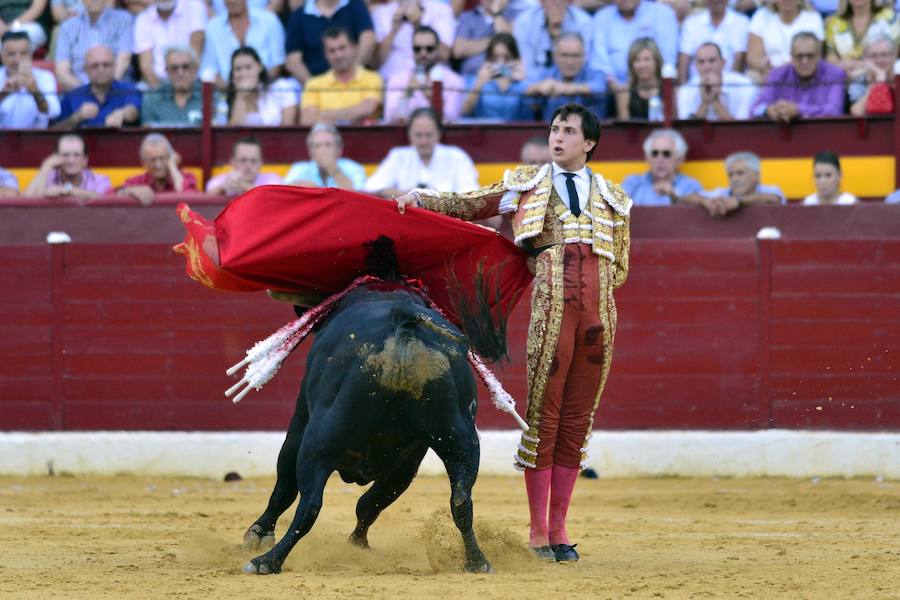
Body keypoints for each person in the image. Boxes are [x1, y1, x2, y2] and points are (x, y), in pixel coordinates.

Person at [393, 103, 632, 564]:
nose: (557, 136)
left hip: (599, 318)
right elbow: (470, 203)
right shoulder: (526, 184)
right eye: (554, 129)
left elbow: (620, 266)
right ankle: (539, 532)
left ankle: (561, 530)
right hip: (552, 311)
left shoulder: (615, 198)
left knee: (578, 419)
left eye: (568, 131)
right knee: (544, 413)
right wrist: (423, 198)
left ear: (589, 143)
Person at [364, 106, 478, 197]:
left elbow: (471, 195)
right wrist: (407, 196)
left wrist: (429, 199)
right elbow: (371, 188)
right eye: (418, 135)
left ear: (439, 134)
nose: (423, 141)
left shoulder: (457, 156)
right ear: (409, 134)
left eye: (428, 135)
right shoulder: (398, 155)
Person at [299, 26, 383, 126]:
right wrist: (354, 115)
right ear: (325, 55)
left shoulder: (372, 78)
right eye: (332, 51)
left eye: (342, 48)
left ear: (354, 48)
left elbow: (368, 109)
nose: (338, 55)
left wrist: (324, 114)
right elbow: (307, 119)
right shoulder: (313, 84)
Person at [753, 32, 847, 121]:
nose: (804, 61)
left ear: (819, 56)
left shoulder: (835, 74)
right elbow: (756, 109)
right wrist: (768, 111)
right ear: (791, 57)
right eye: (799, 56)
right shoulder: (777, 75)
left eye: (810, 56)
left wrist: (798, 110)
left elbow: (834, 111)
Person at [383, 25, 466, 123]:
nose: (423, 53)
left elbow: (450, 120)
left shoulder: (454, 81)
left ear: (438, 49)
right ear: (412, 50)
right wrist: (407, 93)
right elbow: (390, 118)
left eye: (429, 49)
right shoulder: (398, 80)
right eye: (417, 49)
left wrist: (433, 97)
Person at [591, 0, 679, 90]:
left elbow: (668, 59)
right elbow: (599, 58)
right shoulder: (601, 18)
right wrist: (613, 83)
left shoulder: (663, 14)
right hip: (613, 89)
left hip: (656, 86)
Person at [284, 0, 375, 84]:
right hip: (317, 88)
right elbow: (293, 60)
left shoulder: (355, 5)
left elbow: (368, 40)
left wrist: (352, 75)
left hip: (357, 84)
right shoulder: (299, 15)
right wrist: (316, 89)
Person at [201, 0, 285, 89]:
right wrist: (235, 92)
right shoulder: (212, 27)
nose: (232, 1)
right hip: (227, 95)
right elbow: (209, 70)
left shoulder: (269, 21)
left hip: (266, 91)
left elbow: (277, 64)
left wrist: (257, 88)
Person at [53, 45, 141, 129]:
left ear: (114, 67)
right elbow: (54, 131)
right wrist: (76, 117)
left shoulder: (128, 90)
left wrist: (123, 114)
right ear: (85, 69)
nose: (101, 70)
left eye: (106, 65)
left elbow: (134, 111)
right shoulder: (73, 96)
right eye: (95, 66)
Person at [525, 31, 606, 121]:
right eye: (564, 55)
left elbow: (600, 88)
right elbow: (531, 101)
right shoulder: (546, 74)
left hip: (590, 133)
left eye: (575, 56)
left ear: (584, 56)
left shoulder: (594, 74)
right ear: (554, 56)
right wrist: (537, 88)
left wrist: (563, 88)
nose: (570, 62)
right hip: (552, 133)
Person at [54, 0, 134, 91]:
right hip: (79, 90)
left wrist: (105, 89)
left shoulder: (124, 19)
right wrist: (87, 92)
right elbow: (62, 71)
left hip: (117, 89)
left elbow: (124, 61)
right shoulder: (67, 27)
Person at [372, 0, 456, 81]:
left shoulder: (441, 10)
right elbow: (374, 63)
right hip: (389, 84)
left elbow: (444, 54)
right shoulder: (380, 13)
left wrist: (418, 25)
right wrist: (393, 31)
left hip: (431, 82)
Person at [681, 151, 784, 216]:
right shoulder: (721, 193)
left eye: (740, 173)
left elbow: (774, 199)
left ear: (756, 176)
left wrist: (737, 201)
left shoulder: (770, 190)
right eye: (730, 175)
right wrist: (705, 201)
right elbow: (685, 198)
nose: (734, 179)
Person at [746, 0, 824, 83]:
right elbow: (753, 57)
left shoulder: (813, 18)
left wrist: (782, 71)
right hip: (767, 73)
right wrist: (763, 65)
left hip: (801, 71)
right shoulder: (761, 16)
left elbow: (816, 55)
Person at [133, 0, 206, 89]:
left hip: (191, 80)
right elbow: (146, 67)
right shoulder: (143, 19)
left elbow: (196, 53)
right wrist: (164, 96)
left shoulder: (194, 6)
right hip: (157, 84)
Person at [677, 42, 757, 120]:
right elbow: (688, 131)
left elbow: (741, 129)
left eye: (712, 61)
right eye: (701, 62)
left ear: (723, 63)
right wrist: (704, 102)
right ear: (695, 65)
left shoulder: (744, 86)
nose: (706, 67)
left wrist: (715, 100)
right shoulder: (685, 91)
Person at [513, 0, 594, 76]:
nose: (557, 2)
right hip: (535, 83)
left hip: (574, 82)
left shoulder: (584, 23)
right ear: (541, 2)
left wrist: (557, 33)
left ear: (569, 1)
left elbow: (583, 65)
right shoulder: (524, 23)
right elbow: (526, 67)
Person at [462, 32, 531, 120]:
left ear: (516, 59)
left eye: (507, 58)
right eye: (494, 59)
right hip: (484, 132)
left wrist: (524, 84)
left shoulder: (522, 83)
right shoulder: (476, 81)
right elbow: (465, 111)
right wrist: (478, 85)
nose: (501, 63)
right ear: (487, 60)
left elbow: (530, 116)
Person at [622, 128, 702, 205]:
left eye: (666, 154)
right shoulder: (633, 184)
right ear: (647, 158)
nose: (660, 159)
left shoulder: (690, 186)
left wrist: (674, 195)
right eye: (655, 153)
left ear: (679, 159)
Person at [677, 0, 749, 83]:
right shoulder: (691, 23)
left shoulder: (741, 22)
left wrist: (730, 87)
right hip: (696, 85)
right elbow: (684, 58)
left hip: (729, 84)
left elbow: (739, 58)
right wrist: (683, 88)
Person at [225, 46, 300, 126]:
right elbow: (232, 133)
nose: (244, 73)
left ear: (259, 67)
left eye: (248, 67)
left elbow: (287, 128)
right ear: (233, 73)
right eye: (238, 69)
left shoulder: (281, 87)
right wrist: (241, 96)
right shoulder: (232, 96)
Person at [0, 31, 60, 128]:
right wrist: (3, 95)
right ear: (2, 57)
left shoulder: (45, 77)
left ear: (31, 55)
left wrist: (35, 91)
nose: (17, 59)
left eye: (23, 53)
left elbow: (54, 112)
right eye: (11, 54)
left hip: (35, 139)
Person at [117, 133, 197, 205]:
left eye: (162, 158)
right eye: (152, 160)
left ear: (170, 158)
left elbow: (191, 200)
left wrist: (172, 166)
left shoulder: (186, 177)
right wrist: (129, 191)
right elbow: (109, 196)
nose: (158, 165)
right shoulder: (137, 181)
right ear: (144, 163)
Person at [25, 134, 112, 200]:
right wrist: (46, 167)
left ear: (85, 160)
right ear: (56, 157)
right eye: (65, 155)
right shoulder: (48, 177)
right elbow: (27, 200)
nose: (71, 161)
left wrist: (68, 191)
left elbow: (103, 200)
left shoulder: (100, 180)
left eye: (77, 155)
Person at [825, 0, 898, 78]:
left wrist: (858, 65)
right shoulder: (834, 23)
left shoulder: (888, 18)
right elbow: (831, 61)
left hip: (883, 78)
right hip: (845, 81)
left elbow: (894, 53)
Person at [284, 122, 367, 189]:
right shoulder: (299, 169)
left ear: (339, 149)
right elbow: (285, 192)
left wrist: (333, 168)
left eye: (328, 145)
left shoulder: (354, 169)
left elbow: (356, 198)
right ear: (310, 151)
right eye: (317, 145)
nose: (323, 150)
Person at [141, 46, 205, 126]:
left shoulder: (210, 97)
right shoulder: (152, 99)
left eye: (185, 67)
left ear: (195, 69)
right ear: (166, 71)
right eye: (174, 68)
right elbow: (148, 134)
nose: (180, 73)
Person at [453, 0, 515, 77]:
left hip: (501, 77)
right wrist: (493, 41)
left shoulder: (511, 19)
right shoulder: (468, 17)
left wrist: (497, 13)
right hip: (470, 77)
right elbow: (458, 51)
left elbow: (508, 46)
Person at [207, 136, 282, 195]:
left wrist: (244, 186)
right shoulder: (221, 180)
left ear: (261, 163)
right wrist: (222, 188)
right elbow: (207, 197)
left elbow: (276, 196)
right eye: (243, 160)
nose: (248, 166)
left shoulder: (272, 179)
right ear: (233, 162)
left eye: (253, 161)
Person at [849, 33, 897, 115]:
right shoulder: (860, 79)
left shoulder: (898, 77)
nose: (879, 60)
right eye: (873, 56)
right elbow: (857, 112)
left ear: (894, 56)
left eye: (884, 55)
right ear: (864, 59)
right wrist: (877, 84)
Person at [615, 37, 662, 120]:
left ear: (657, 62)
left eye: (647, 59)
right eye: (637, 60)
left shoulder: (669, 91)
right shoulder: (624, 94)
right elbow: (624, 129)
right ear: (631, 64)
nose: (642, 65)